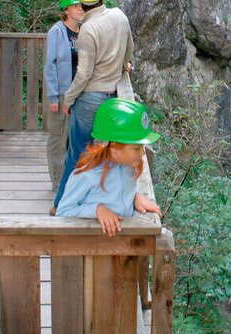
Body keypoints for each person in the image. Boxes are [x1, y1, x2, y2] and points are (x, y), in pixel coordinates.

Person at [52, 0, 134, 211]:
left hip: (89, 99)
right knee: (107, 152)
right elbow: (129, 48)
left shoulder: (88, 29)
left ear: (82, 2)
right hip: (112, 98)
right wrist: (123, 65)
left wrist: (68, 100)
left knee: (78, 153)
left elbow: (84, 73)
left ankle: (61, 204)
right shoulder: (119, 16)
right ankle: (96, 201)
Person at [56, 98, 161, 236]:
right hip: (94, 246)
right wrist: (96, 209)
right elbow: (62, 212)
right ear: (113, 148)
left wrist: (135, 197)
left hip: (123, 245)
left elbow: (118, 195)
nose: (142, 153)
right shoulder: (88, 174)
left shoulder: (128, 168)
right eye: (136, 148)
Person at [44, 0, 84, 185]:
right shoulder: (57, 31)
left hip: (80, 94)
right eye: (75, 6)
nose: (80, 9)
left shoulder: (84, 30)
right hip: (61, 94)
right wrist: (53, 96)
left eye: (82, 5)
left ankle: (73, 182)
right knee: (58, 139)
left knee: (75, 139)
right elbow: (50, 64)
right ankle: (58, 182)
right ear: (66, 10)